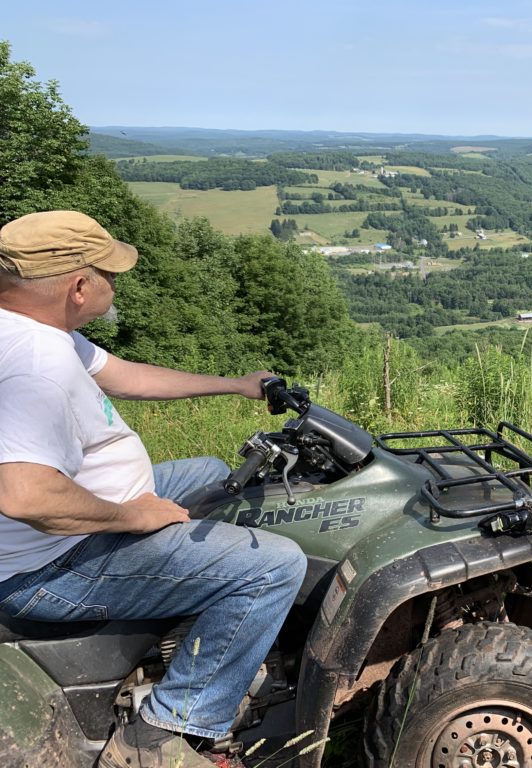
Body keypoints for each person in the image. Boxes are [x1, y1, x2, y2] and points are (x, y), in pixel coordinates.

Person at [0, 211, 307, 768]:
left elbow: (124, 375)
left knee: (214, 473)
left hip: (84, 515)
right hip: (47, 563)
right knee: (275, 566)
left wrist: (234, 386)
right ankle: (165, 732)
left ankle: (202, 620)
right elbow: (25, 496)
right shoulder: (35, 361)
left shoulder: (38, 329)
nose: (116, 285)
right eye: (108, 274)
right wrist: (131, 516)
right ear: (77, 286)